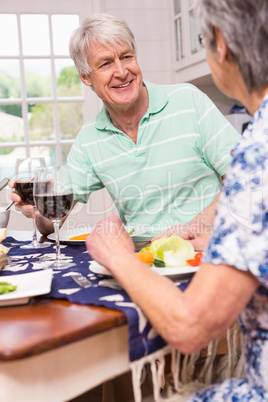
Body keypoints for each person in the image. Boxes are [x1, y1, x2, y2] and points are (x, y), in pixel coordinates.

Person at [86, 1, 268, 400]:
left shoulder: (258, 154)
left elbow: (188, 328)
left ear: (220, 44)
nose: (120, 70)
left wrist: (116, 255)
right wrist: (199, 225)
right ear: (88, 77)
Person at [9, 13, 239, 250]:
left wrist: (197, 225)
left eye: (126, 57)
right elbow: (48, 226)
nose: (121, 71)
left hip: (211, 252)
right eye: (106, 63)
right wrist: (39, 208)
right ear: (86, 77)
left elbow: (247, 175)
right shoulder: (90, 140)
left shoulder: (188, 100)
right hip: (144, 258)